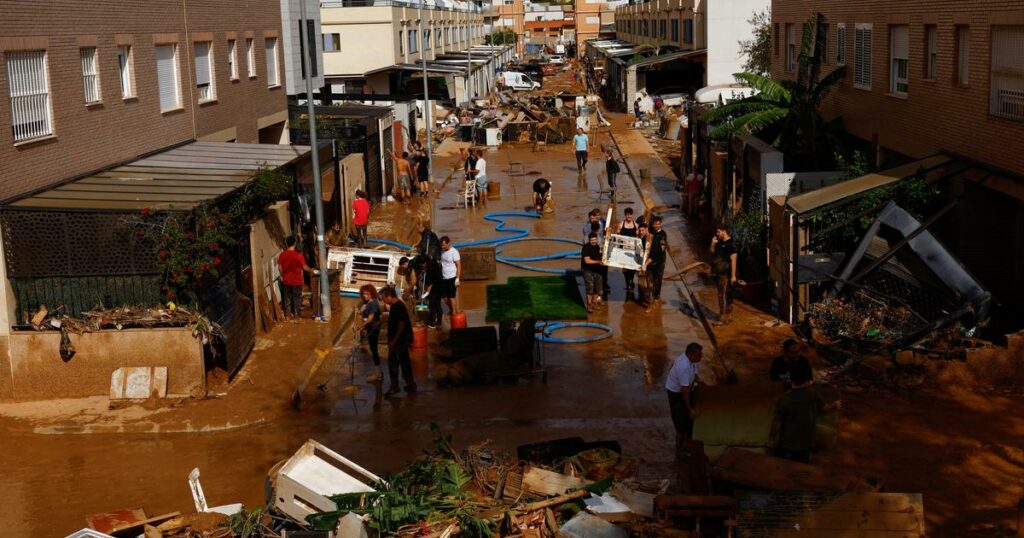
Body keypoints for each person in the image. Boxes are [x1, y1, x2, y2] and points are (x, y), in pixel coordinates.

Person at [772, 367, 842, 463]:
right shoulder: (812, 394)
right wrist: (834, 404)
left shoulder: (784, 398)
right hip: (804, 444)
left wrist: (771, 438)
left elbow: (776, 420)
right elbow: (824, 408)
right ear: (807, 381)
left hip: (785, 443)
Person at [380, 286, 416, 396]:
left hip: (399, 340)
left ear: (389, 296)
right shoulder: (398, 305)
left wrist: (394, 340)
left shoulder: (396, 307)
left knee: (393, 364)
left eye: (383, 298)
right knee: (405, 363)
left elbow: (401, 324)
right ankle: (411, 384)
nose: (383, 301)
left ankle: (395, 387)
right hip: (404, 339)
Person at [666, 342, 703, 443]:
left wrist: (699, 381)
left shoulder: (691, 360)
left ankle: (687, 433)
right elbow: (685, 391)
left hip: (684, 388)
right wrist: (690, 409)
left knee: (687, 417)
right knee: (679, 417)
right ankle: (680, 438)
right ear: (691, 354)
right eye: (699, 354)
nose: (701, 356)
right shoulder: (684, 367)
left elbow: (694, 374)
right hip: (675, 393)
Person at [277, 236, 318, 321]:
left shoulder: (282, 255)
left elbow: (279, 267)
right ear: (295, 243)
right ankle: (297, 317)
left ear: (286, 244)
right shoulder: (299, 256)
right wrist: (312, 270)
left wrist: (282, 275)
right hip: (296, 281)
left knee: (287, 299)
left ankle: (287, 316)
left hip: (286, 280)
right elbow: (305, 267)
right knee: (297, 299)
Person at [353, 284, 384, 382]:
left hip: (373, 329)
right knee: (372, 348)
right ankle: (377, 370)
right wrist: (361, 312)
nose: (365, 296)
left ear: (372, 293)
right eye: (363, 294)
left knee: (374, 350)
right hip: (370, 328)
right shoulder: (368, 303)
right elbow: (364, 315)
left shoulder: (373, 303)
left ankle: (378, 373)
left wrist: (360, 327)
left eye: (367, 294)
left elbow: (370, 318)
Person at [710, 225, 738, 324]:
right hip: (717, 273)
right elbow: (712, 252)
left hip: (726, 273)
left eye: (718, 232)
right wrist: (713, 244)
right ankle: (727, 316)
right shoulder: (718, 242)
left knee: (723, 295)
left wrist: (733, 276)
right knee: (721, 294)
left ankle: (723, 316)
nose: (717, 234)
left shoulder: (731, 244)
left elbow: (733, 260)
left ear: (724, 231)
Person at [645, 216, 668, 310]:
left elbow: (659, 252)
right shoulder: (650, 231)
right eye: (655, 224)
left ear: (661, 224)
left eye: (658, 224)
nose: (656, 226)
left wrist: (647, 262)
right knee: (649, 283)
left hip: (659, 262)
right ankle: (651, 301)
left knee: (657, 282)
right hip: (649, 262)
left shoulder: (662, 235)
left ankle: (656, 298)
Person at [581, 232, 605, 313]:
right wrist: (598, 262)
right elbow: (587, 261)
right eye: (592, 240)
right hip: (588, 270)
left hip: (597, 270)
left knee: (597, 289)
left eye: (595, 240)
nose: (594, 241)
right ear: (589, 240)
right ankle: (589, 305)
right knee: (590, 289)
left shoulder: (598, 247)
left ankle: (594, 304)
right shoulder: (586, 248)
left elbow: (602, 256)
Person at [618, 208, 639, 299]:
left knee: (633, 268)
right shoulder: (621, 224)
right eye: (627, 214)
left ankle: (631, 281)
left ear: (632, 215)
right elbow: (617, 236)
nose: (629, 216)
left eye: (630, 214)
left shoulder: (636, 225)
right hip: (624, 251)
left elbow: (639, 236)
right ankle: (628, 283)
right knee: (625, 269)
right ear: (625, 215)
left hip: (633, 251)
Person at [439, 236, 461, 320]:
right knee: (444, 297)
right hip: (444, 277)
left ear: (448, 243)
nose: (442, 247)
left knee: (452, 296)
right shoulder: (442, 251)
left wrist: (457, 278)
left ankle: (454, 313)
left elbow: (458, 265)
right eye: (441, 245)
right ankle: (452, 309)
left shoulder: (454, 252)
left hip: (452, 277)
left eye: (444, 245)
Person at [420, 256, 444, 329]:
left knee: (432, 307)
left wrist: (427, 292)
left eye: (422, 264)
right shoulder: (436, 266)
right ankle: (439, 323)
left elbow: (429, 283)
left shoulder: (430, 270)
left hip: (434, 290)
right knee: (438, 306)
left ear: (425, 263)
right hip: (440, 288)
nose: (422, 265)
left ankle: (431, 324)